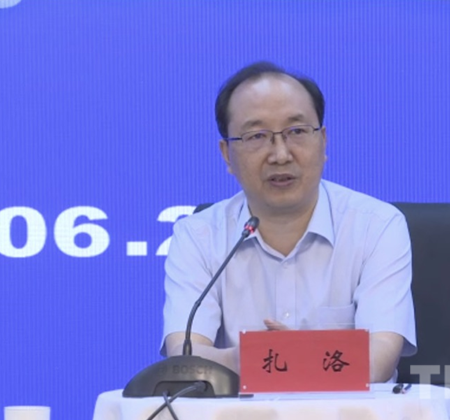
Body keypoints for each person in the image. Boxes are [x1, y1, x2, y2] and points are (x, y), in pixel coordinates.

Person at [162, 61, 416, 383]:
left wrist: (287, 356)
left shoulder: (377, 227)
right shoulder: (197, 236)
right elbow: (184, 356)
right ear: (227, 154)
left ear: (323, 141)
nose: (280, 155)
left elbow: (379, 361)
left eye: (296, 132)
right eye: (257, 136)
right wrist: (250, 358)